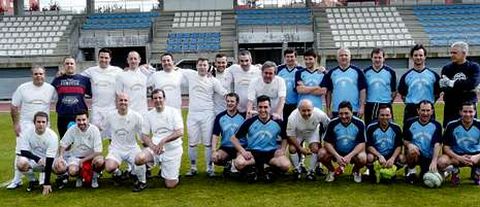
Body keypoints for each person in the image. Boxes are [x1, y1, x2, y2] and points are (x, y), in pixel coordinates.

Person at [7, 66, 57, 190]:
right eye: (36, 74)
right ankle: (18, 179)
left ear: (45, 75)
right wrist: (16, 124)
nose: (38, 76)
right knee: (20, 152)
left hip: (43, 124)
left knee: (44, 151)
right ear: (32, 75)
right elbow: (14, 107)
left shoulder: (50, 89)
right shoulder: (23, 88)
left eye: (41, 74)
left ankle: (42, 179)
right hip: (25, 126)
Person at [182, 58, 227, 177]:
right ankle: (193, 167)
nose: (202, 67)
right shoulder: (190, 74)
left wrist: (234, 99)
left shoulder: (213, 81)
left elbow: (223, 92)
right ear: (196, 66)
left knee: (208, 143)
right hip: (193, 115)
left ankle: (209, 168)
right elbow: (174, 69)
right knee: (192, 143)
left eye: (204, 65)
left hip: (207, 114)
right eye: (200, 65)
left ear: (208, 67)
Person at [231, 95, 291, 182]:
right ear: (256, 108)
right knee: (239, 163)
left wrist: (282, 149)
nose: (263, 110)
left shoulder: (277, 122)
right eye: (260, 107)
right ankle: (252, 170)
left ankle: (268, 170)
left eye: (265, 107)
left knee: (286, 165)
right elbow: (233, 138)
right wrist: (243, 152)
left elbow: (285, 138)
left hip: (271, 154)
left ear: (270, 108)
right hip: (253, 153)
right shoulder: (250, 121)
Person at [134, 89, 184, 188]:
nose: (158, 100)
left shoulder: (173, 112)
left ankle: (169, 170)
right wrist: (152, 146)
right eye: (155, 98)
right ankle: (142, 182)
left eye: (160, 98)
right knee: (139, 158)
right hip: (156, 149)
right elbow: (144, 135)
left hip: (172, 149)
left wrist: (163, 140)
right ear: (152, 101)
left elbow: (180, 132)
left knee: (170, 184)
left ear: (164, 99)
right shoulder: (149, 115)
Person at [104, 93, 146, 192]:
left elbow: (143, 134)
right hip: (116, 149)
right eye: (121, 100)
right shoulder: (110, 115)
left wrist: (146, 147)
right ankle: (119, 175)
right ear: (116, 102)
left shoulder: (137, 116)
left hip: (132, 148)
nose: (123, 102)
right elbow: (103, 129)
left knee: (141, 158)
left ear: (129, 102)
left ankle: (142, 181)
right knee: (109, 167)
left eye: (125, 100)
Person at [318, 101, 367, 183]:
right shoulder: (332, 123)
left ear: (352, 112)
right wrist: (337, 156)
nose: (344, 116)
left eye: (346, 113)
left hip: (353, 152)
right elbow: (326, 143)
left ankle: (356, 171)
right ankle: (332, 171)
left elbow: (362, 143)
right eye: (341, 113)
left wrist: (349, 156)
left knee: (363, 158)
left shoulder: (360, 123)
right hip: (336, 151)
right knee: (321, 154)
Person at [54, 111, 104, 189]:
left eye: (83, 119)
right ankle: (79, 177)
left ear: (88, 119)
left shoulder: (94, 130)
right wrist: (60, 156)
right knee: (72, 171)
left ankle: (94, 177)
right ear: (75, 120)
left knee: (100, 161)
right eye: (79, 120)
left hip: (91, 157)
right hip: (76, 157)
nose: (81, 122)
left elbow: (98, 151)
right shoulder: (72, 129)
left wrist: (83, 160)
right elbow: (63, 144)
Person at [81, 48, 123, 138]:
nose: (103, 60)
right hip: (97, 109)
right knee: (95, 136)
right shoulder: (91, 71)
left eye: (106, 58)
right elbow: (77, 77)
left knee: (113, 137)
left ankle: (113, 152)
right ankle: (96, 152)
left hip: (112, 108)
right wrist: (63, 73)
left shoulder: (118, 71)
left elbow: (129, 76)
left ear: (110, 59)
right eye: (101, 57)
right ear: (98, 58)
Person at [16, 112, 59, 195]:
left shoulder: (53, 136)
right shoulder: (27, 133)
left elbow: (49, 161)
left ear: (47, 123)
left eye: (43, 122)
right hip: (35, 161)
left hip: (50, 161)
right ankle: (33, 180)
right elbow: (23, 151)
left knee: (61, 166)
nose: (41, 124)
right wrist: (37, 159)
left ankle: (60, 178)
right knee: (21, 163)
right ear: (34, 122)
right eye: (38, 122)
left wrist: (47, 183)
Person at [438, 102, 480, 185]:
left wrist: (477, 156)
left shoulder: (479, 125)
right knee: (441, 162)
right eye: (465, 111)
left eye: (470, 112)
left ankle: (477, 171)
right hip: (456, 156)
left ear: (475, 112)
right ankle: (454, 170)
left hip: (475, 155)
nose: (468, 114)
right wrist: (459, 158)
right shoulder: (452, 125)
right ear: (460, 112)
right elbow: (446, 147)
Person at [287, 99, 330, 180]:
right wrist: (300, 149)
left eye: (308, 110)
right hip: (298, 133)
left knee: (315, 148)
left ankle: (311, 171)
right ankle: (297, 169)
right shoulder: (292, 117)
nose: (306, 113)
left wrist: (325, 141)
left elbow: (329, 126)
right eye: (303, 111)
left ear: (313, 109)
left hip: (312, 132)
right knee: (292, 148)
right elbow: (290, 135)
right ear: (298, 110)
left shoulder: (320, 113)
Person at [398, 44, 440, 125]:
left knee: (430, 134)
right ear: (411, 57)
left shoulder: (433, 75)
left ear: (425, 56)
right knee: (409, 136)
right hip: (411, 110)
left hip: (428, 109)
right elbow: (403, 95)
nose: (418, 57)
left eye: (421, 55)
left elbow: (437, 94)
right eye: (416, 55)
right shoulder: (406, 76)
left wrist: (427, 105)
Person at [440, 41, 480, 126]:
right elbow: (444, 88)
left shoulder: (474, 67)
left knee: (471, 134)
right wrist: (464, 87)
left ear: (464, 53)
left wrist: (451, 83)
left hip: (468, 109)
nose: (452, 55)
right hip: (451, 108)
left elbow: (472, 83)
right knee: (450, 135)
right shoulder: (446, 68)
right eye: (451, 52)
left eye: (455, 53)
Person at [403, 100, 442, 184]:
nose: (425, 113)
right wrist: (410, 145)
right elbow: (405, 140)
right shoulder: (409, 123)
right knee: (411, 151)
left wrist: (434, 161)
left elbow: (437, 144)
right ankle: (411, 171)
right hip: (417, 154)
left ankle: (445, 171)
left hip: (429, 156)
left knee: (425, 177)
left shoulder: (437, 125)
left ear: (432, 111)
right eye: (423, 110)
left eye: (428, 110)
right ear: (418, 111)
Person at [320, 47, 366, 118]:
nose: (343, 57)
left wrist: (362, 107)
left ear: (350, 57)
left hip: (354, 110)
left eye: (346, 55)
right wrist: (328, 109)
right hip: (336, 110)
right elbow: (328, 92)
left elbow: (362, 90)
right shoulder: (331, 73)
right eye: (341, 55)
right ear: (337, 58)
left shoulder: (358, 72)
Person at [51, 57, 91, 138]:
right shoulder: (57, 80)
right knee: (65, 143)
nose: (69, 65)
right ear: (63, 66)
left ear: (75, 65)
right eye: (67, 63)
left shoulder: (84, 80)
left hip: (80, 117)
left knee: (82, 142)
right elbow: (49, 93)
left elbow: (94, 94)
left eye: (71, 63)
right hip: (63, 116)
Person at [366, 105, 404, 181]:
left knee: (402, 158)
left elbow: (399, 146)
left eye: (387, 115)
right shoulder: (371, 127)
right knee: (369, 157)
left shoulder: (396, 128)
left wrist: (392, 158)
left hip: (391, 155)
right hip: (377, 155)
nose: (385, 117)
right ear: (378, 116)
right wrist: (379, 156)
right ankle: (372, 172)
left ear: (391, 116)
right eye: (382, 115)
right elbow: (369, 146)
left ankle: (392, 171)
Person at [211, 92, 246, 176]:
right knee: (215, 158)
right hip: (226, 147)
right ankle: (228, 164)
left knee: (241, 163)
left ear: (237, 103)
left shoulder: (243, 117)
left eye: (232, 101)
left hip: (240, 147)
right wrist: (214, 150)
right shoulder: (220, 117)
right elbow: (215, 134)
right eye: (228, 101)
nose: (229, 103)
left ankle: (237, 165)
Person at [363, 48, 397, 124]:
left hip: (386, 104)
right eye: (375, 57)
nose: (377, 60)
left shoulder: (391, 72)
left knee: (388, 128)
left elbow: (394, 91)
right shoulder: (365, 72)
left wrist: (389, 101)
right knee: (370, 128)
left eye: (379, 57)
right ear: (371, 58)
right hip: (370, 105)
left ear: (383, 58)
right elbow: (363, 91)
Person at [116, 51, 149, 116]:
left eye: (135, 58)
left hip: (143, 112)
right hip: (128, 112)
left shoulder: (146, 74)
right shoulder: (121, 76)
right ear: (127, 60)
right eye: (131, 59)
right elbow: (118, 95)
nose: (133, 61)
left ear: (139, 60)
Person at [277, 48, 303, 120]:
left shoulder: (301, 70)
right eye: (287, 57)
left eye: (292, 56)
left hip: (296, 103)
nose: (290, 59)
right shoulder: (278, 69)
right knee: (284, 124)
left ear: (295, 57)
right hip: (282, 103)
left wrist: (322, 70)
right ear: (284, 58)